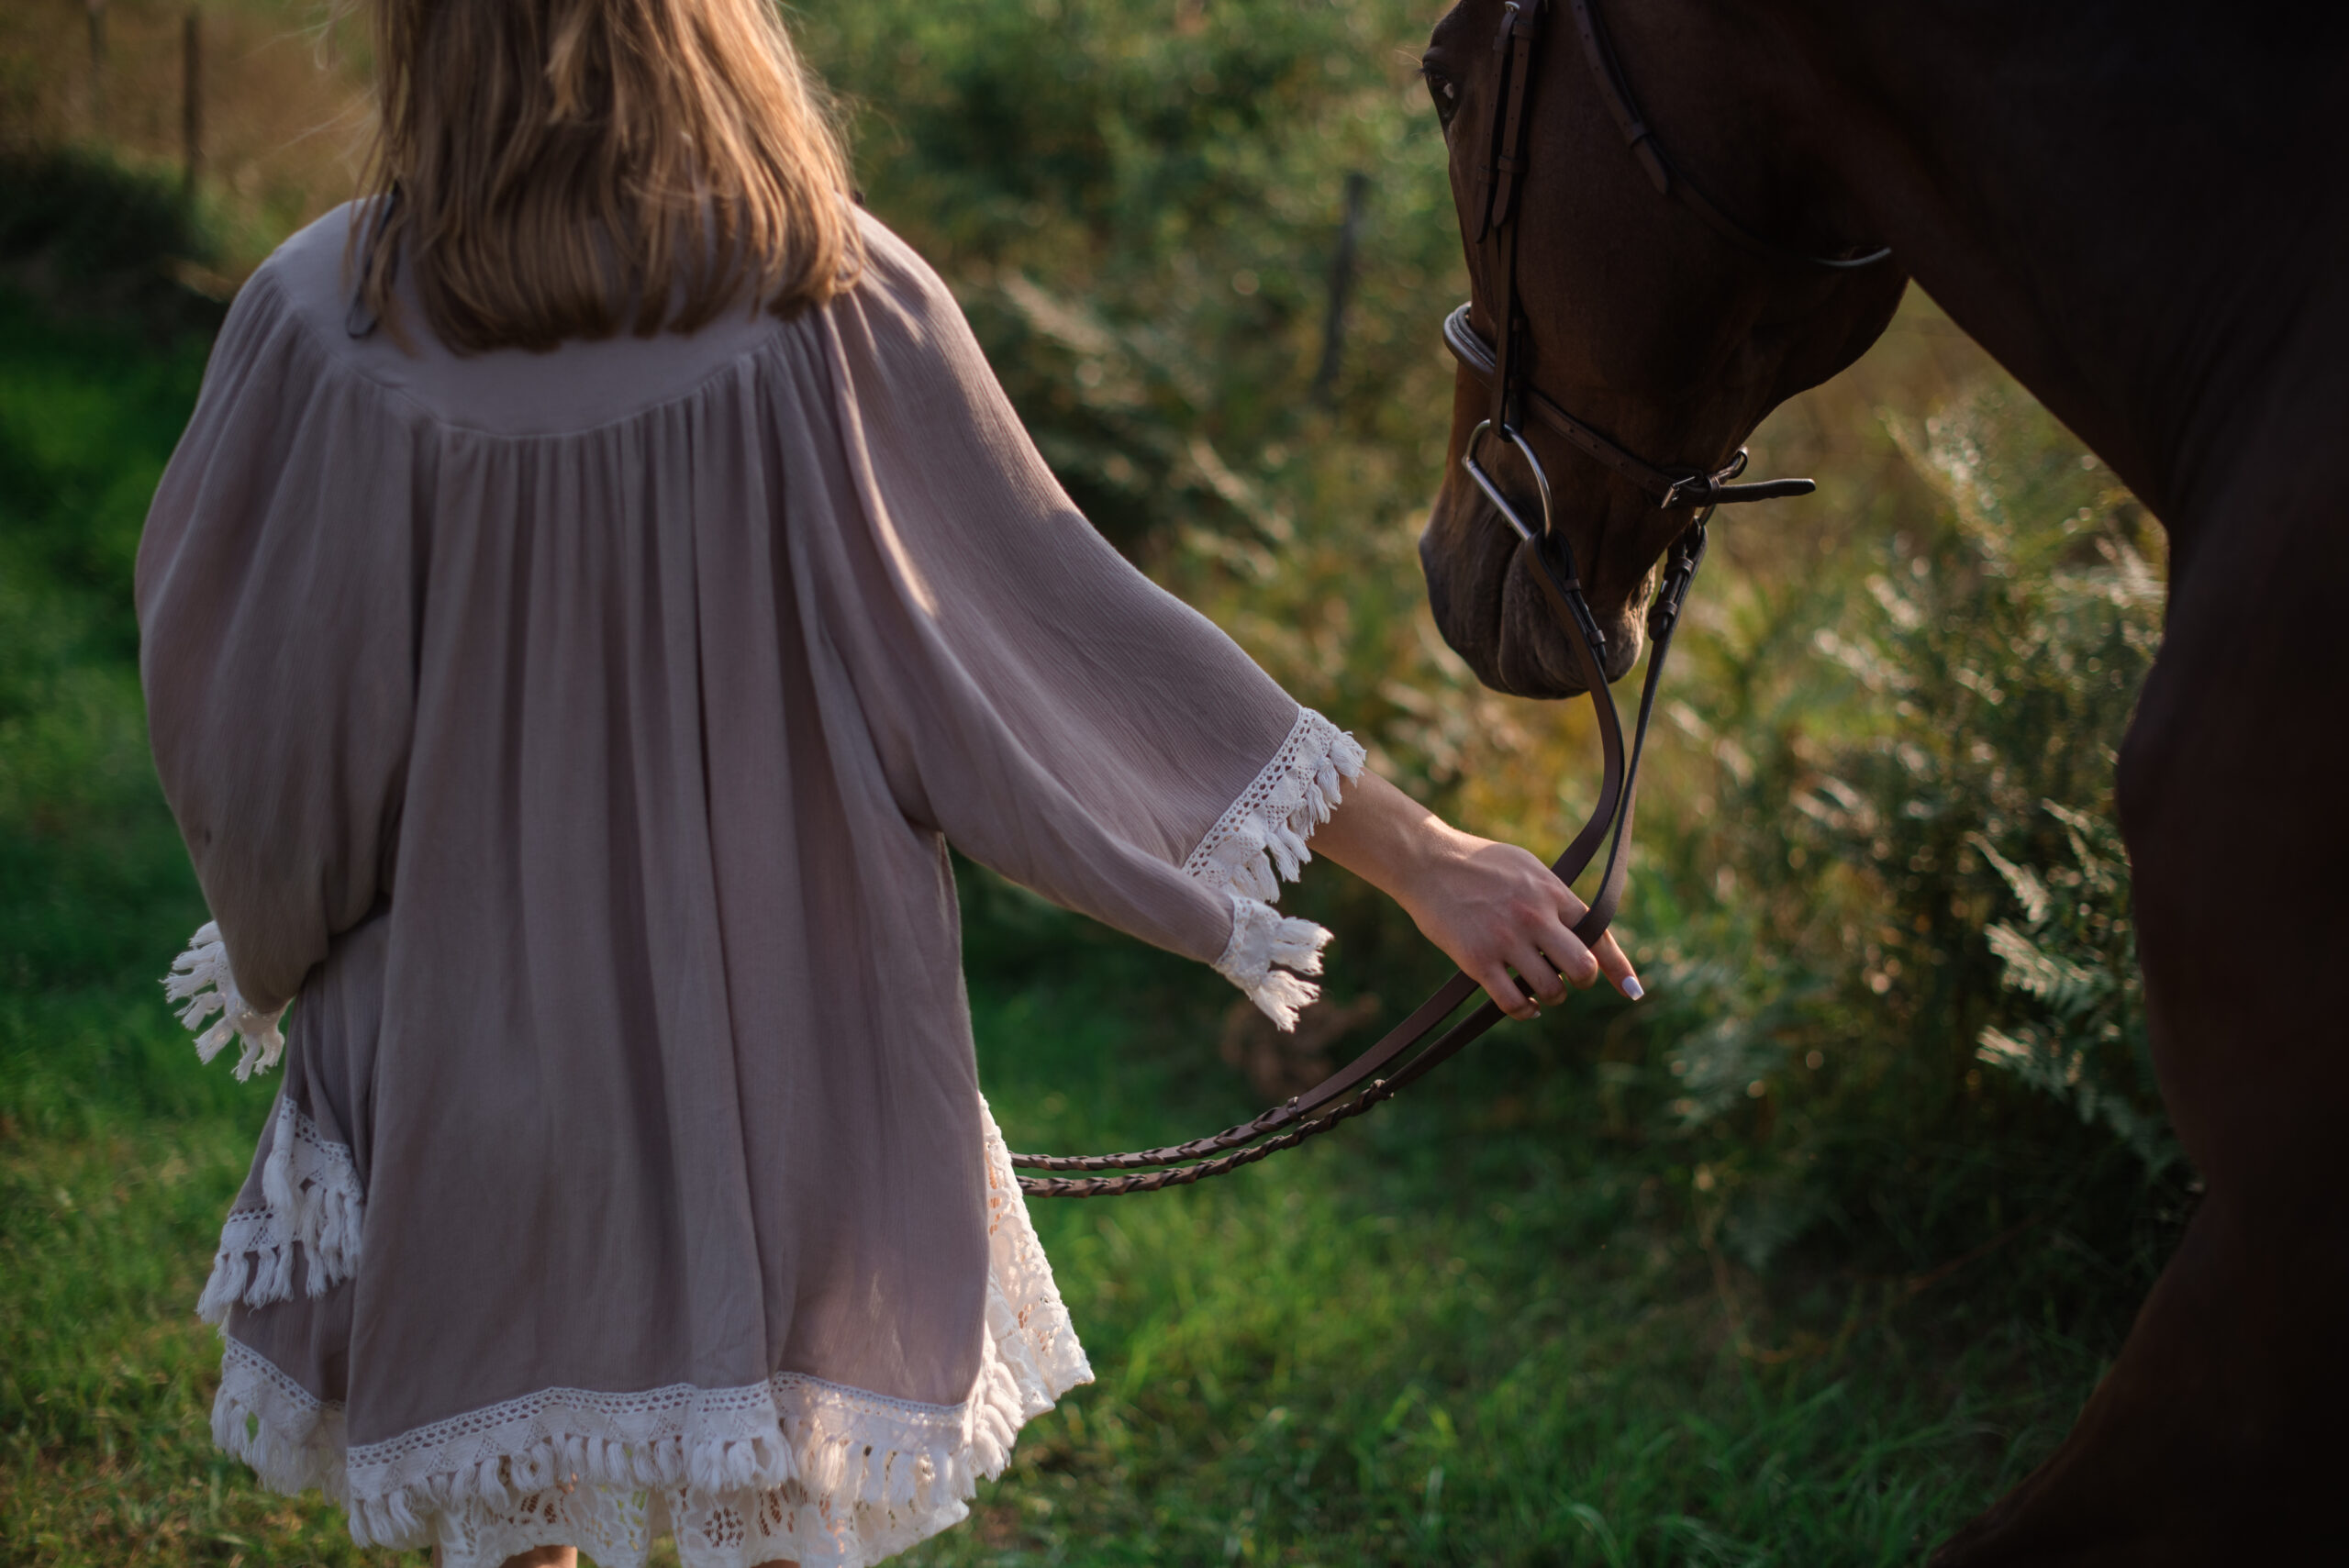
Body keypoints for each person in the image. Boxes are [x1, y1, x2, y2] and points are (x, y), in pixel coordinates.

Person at [139, 3, 1638, 1565]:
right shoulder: (834, 303)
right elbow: (1070, 645)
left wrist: (285, 940)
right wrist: (1423, 854)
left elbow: (249, 738)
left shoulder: (320, 325)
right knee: (784, 1515)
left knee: (517, 1515)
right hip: (792, 1063)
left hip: (470, 1060)